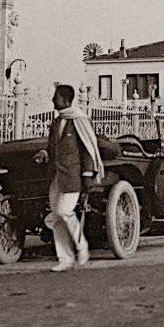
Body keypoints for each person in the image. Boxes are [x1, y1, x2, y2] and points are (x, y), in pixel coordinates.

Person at [41, 84, 104, 272]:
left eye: (57, 97)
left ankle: (82, 246)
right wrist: (45, 152)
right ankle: (65, 259)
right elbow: (53, 148)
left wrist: (87, 175)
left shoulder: (80, 121)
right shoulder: (55, 123)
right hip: (56, 176)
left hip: (73, 176)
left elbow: (88, 149)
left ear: (66, 100)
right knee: (57, 218)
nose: (53, 100)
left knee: (64, 212)